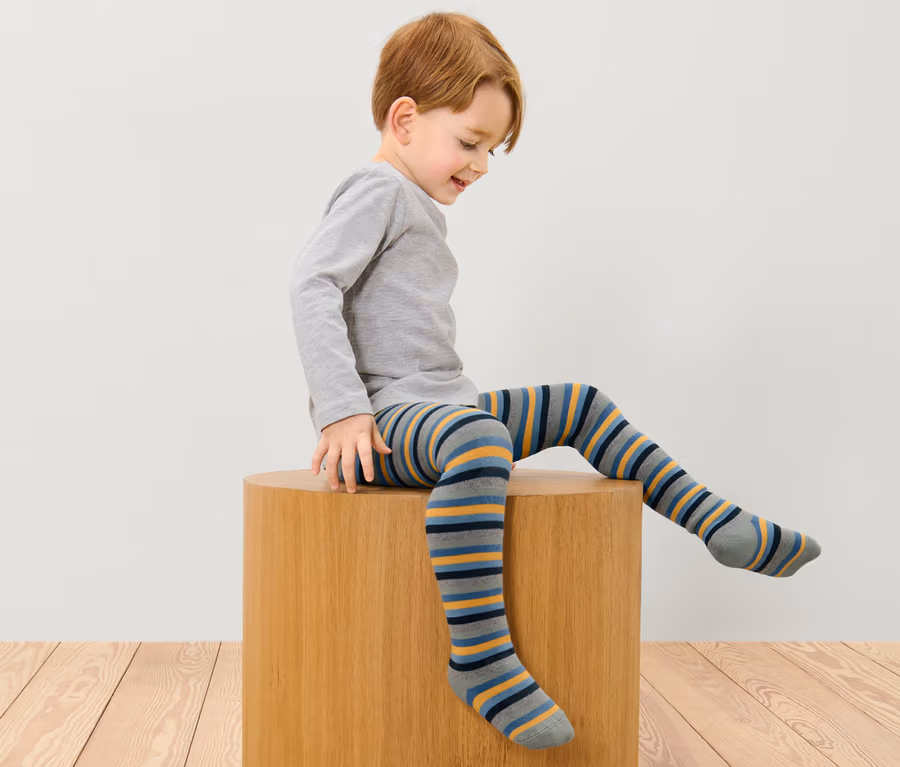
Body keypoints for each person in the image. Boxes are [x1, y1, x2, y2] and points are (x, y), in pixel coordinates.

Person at [289, 11, 821, 752]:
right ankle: (479, 658)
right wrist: (343, 411)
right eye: (469, 142)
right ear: (404, 120)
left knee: (580, 405)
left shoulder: (411, 201)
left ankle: (715, 521)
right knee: (478, 437)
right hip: (388, 422)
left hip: (438, 408)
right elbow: (312, 284)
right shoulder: (376, 190)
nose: (480, 164)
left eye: (491, 149)